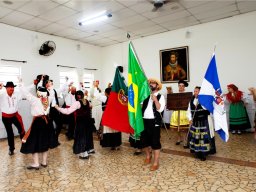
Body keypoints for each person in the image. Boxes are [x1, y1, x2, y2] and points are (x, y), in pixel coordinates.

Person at [19, 86, 53, 170]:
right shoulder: (49, 99)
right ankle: (44, 162)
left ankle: (36, 163)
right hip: (46, 122)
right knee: (44, 141)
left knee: (33, 142)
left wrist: (21, 84)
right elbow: (52, 93)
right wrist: (51, 88)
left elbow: (26, 93)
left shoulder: (35, 100)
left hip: (37, 123)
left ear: (38, 93)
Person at [55, 91, 95, 159]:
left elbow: (67, 111)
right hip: (88, 121)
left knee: (81, 136)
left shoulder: (77, 103)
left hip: (81, 122)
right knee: (88, 135)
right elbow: (91, 107)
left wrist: (58, 108)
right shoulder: (87, 101)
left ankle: (84, 154)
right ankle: (90, 149)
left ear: (76, 96)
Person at [141, 78, 165, 171]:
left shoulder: (160, 96)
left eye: (153, 83)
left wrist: (155, 100)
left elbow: (160, 109)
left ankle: (156, 162)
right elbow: (141, 107)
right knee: (143, 142)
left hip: (154, 122)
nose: (151, 84)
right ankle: (148, 155)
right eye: (150, 83)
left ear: (157, 86)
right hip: (144, 121)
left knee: (155, 142)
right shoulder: (145, 96)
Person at [187, 86, 216, 161]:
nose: (195, 92)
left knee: (203, 139)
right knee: (196, 138)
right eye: (195, 91)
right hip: (195, 122)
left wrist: (202, 102)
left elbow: (208, 110)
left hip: (204, 122)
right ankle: (197, 152)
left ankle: (203, 154)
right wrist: (190, 119)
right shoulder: (191, 100)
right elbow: (189, 110)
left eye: (197, 91)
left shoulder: (205, 100)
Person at [0, 81, 25, 155]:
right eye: (10, 87)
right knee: (10, 133)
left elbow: (24, 91)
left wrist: (23, 84)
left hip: (15, 116)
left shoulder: (16, 94)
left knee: (21, 130)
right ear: (6, 88)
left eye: (13, 87)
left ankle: (25, 146)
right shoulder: (2, 95)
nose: (12, 89)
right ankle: (11, 149)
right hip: (5, 117)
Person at [170, 80, 190, 147]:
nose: (181, 87)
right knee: (177, 127)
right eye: (180, 86)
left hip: (184, 112)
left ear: (184, 87)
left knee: (184, 128)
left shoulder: (187, 95)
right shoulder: (175, 95)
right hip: (176, 112)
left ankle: (185, 140)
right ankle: (179, 138)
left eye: (182, 86)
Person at [45, 80, 61, 146]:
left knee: (59, 124)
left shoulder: (54, 91)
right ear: (46, 84)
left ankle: (55, 138)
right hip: (49, 111)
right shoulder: (44, 92)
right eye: (49, 83)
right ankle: (50, 142)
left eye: (51, 83)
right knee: (49, 127)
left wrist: (58, 108)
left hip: (55, 109)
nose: (51, 84)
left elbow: (56, 99)